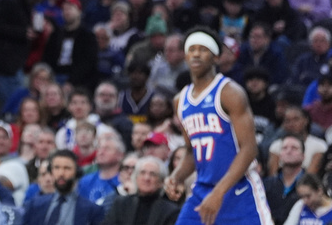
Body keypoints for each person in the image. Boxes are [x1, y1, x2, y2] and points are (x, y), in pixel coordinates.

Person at [163, 26, 273, 225]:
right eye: (192, 49)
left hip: (238, 190)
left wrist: (219, 192)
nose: (196, 54)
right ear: (185, 56)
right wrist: (176, 176)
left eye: (203, 49)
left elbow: (249, 149)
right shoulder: (180, 100)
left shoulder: (230, 92)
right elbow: (191, 150)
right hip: (203, 191)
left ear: (216, 57)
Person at [22, 150, 105, 225]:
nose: (61, 173)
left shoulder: (92, 211)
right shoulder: (34, 205)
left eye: (67, 168)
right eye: (56, 168)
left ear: (76, 172)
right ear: (51, 171)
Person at [102, 156, 179, 225]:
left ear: (161, 182)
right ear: (136, 178)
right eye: (142, 173)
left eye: (152, 174)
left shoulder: (170, 211)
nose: (146, 178)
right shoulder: (121, 204)